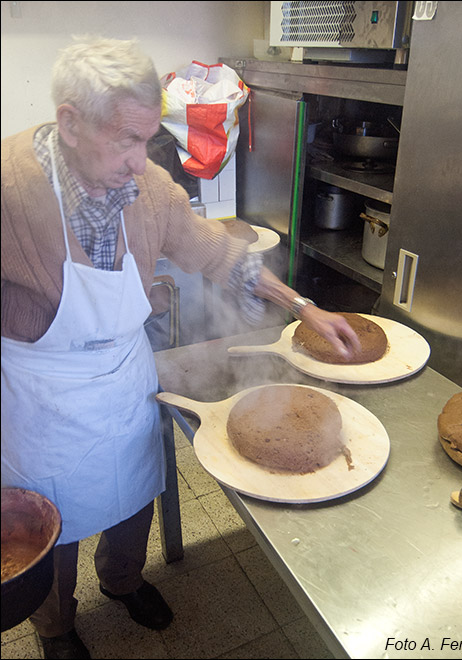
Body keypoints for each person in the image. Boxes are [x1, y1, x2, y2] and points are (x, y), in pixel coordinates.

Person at [1, 36, 360, 660]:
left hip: (120, 372)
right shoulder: (10, 189)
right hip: (39, 390)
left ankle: (122, 581)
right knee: (45, 523)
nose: (142, 160)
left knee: (134, 492)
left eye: (147, 139)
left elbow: (216, 252)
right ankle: (56, 627)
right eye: (126, 140)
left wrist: (304, 306)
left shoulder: (152, 190)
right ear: (70, 123)